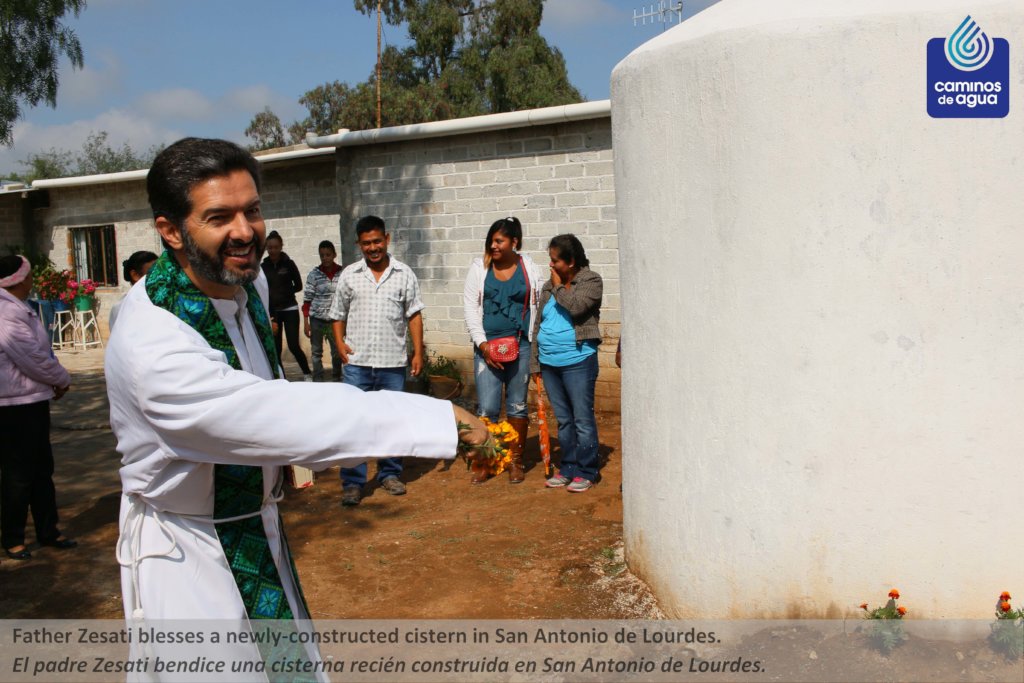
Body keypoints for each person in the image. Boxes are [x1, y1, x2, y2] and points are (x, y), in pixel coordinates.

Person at [105, 139, 486, 654]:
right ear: (170, 230)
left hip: (259, 530)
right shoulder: (153, 344)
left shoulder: (246, 282)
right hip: (189, 553)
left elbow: (268, 385)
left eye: (253, 210)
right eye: (219, 217)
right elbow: (275, 416)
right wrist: (439, 420)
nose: (245, 232)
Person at [329, 215, 423, 506]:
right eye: (367, 243)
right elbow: (337, 314)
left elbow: (414, 314)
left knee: (390, 421)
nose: (373, 248)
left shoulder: (404, 273)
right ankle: (353, 482)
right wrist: (340, 343)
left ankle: (389, 474)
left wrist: (417, 351)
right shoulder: (349, 274)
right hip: (357, 364)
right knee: (355, 422)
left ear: (387, 239)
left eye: (377, 241)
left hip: (392, 362)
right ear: (359, 244)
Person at [0, 255, 76, 560]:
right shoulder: (5, 311)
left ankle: (48, 531)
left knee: (42, 470)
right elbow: (29, 356)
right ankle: (13, 538)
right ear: (19, 279)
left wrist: (53, 380)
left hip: (31, 399)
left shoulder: (18, 306)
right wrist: (60, 378)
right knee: (18, 473)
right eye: (30, 275)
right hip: (14, 404)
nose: (33, 280)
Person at [462, 216, 542, 484]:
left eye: (500, 241)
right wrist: (483, 346)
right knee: (487, 407)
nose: (494, 246)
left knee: (518, 406)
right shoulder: (479, 268)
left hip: (521, 344)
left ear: (514, 242)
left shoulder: (528, 267)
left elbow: (539, 303)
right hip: (486, 347)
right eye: (492, 241)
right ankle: (486, 461)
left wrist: (536, 342)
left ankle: (515, 461)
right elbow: (471, 310)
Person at [530, 234, 604, 493]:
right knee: (563, 420)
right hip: (550, 362)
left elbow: (576, 308)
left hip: (578, 360)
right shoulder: (550, 285)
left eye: (555, 261)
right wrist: (535, 363)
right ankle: (569, 467)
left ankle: (587, 470)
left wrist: (559, 286)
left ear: (571, 262)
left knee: (582, 418)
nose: (551, 266)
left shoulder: (591, 280)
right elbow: (538, 323)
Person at [261, 230, 312, 381]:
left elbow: (298, 285)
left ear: (281, 247)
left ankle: (307, 373)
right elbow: (263, 288)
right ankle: (282, 378)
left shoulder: (289, 264)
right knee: (276, 349)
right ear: (266, 248)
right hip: (273, 312)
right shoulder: (264, 267)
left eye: (276, 247)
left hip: (290, 309)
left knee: (293, 345)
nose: (273, 250)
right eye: (270, 247)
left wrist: (285, 293)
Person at [302, 240, 342, 382]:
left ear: (334, 255)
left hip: (335, 320)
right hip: (317, 319)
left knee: (337, 350)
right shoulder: (314, 274)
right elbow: (307, 300)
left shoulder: (342, 273)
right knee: (316, 352)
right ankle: (318, 380)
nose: (325, 258)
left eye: (328, 255)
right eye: (322, 255)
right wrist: (306, 323)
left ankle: (337, 378)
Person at [108, 250, 158, 330]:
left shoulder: (162, 301)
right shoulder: (120, 308)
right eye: (154, 273)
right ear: (135, 275)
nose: (160, 277)